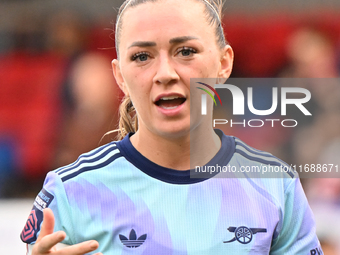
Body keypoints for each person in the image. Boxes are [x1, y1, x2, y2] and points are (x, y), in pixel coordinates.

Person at [21, 0, 323, 254]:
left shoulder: (276, 185)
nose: (165, 73)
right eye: (142, 56)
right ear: (120, 76)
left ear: (223, 63)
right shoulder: (70, 193)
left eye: (186, 51)